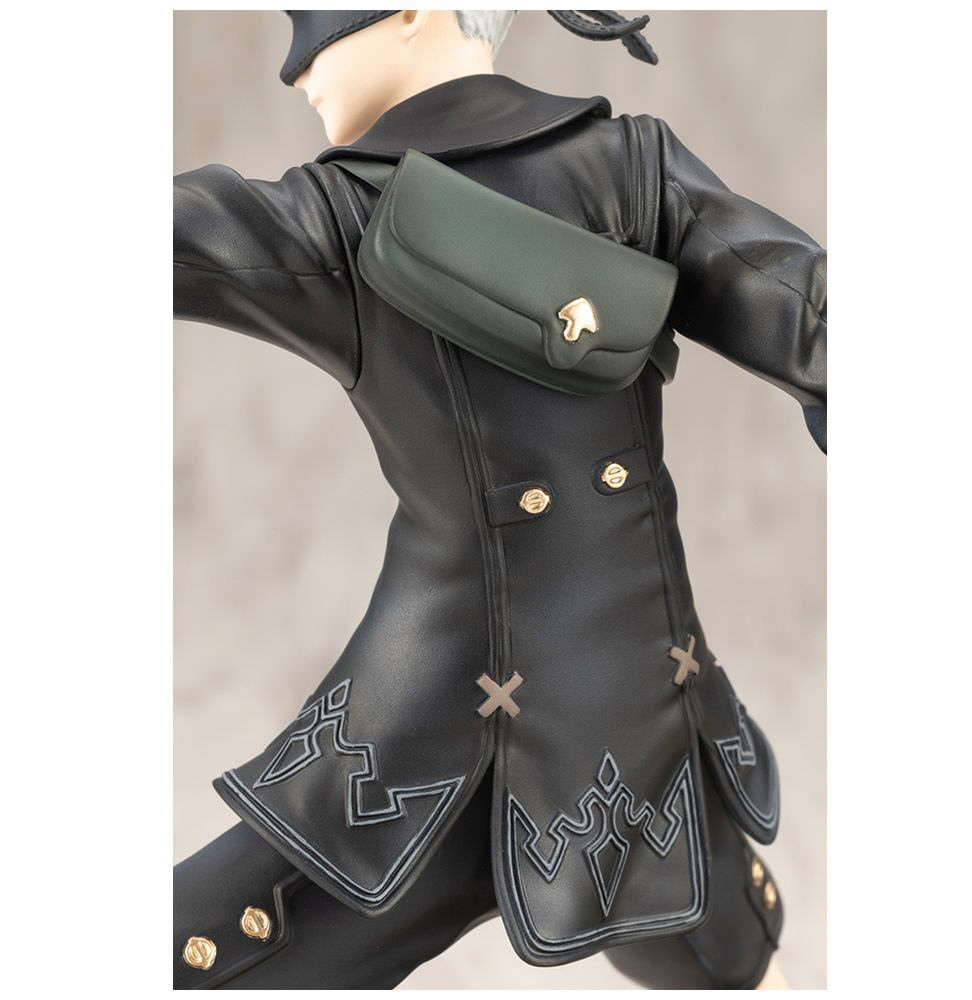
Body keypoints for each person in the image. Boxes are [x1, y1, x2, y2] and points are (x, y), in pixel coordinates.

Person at [174, 10, 825, 989]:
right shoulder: (632, 169)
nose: (294, 72)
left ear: (411, 13)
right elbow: (814, 317)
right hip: (570, 731)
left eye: (312, 25)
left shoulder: (334, 221)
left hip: (510, 747)